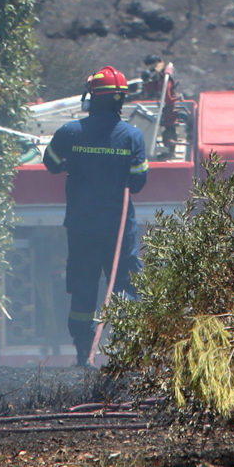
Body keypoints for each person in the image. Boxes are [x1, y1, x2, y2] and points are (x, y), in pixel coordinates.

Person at [43, 65, 149, 365]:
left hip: (82, 229)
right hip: (119, 232)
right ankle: (128, 355)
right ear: (121, 100)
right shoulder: (132, 137)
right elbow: (138, 182)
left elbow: (51, 163)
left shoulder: (70, 133)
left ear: (92, 98)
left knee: (83, 290)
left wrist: (75, 159)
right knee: (127, 288)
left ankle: (83, 354)